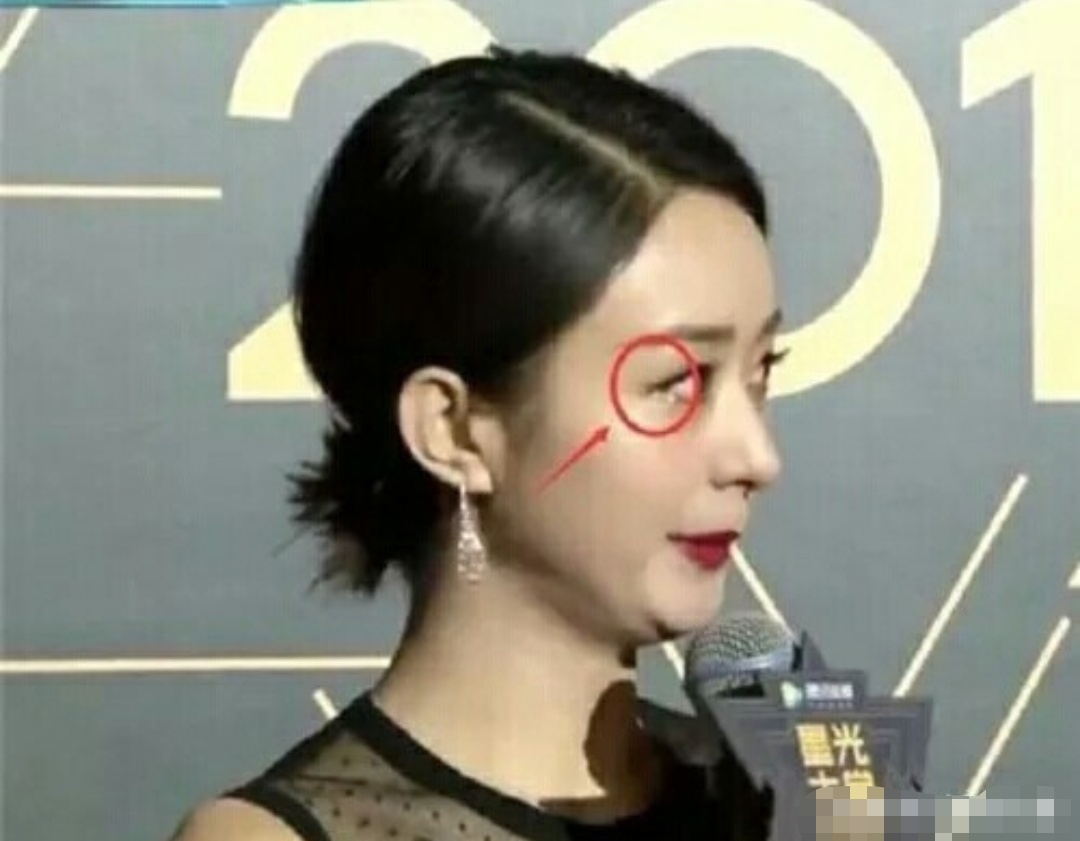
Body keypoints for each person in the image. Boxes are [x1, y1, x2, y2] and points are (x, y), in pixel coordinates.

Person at [171, 46, 785, 841]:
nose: (756, 457)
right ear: (454, 430)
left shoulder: (778, 801)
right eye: (677, 383)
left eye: (762, 372)